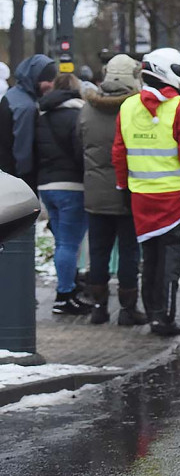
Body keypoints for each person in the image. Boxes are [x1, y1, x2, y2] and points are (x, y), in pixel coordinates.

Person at [112, 47, 180, 337]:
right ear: (166, 72)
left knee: (150, 257)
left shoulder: (128, 106)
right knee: (170, 258)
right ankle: (164, 319)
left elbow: (119, 152)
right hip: (174, 198)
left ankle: (154, 311)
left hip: (141, 197)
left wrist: (122, 187)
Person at [80, 54, 148, 326]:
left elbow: (79, 148)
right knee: (129, 253)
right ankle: (128, 310)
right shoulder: (136, 109)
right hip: (128, 192)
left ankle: (98, 308)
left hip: (95, 193)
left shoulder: (86, 110)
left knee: (98, 252)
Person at [35, 73, 90, 315]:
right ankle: (64, 295)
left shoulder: (41, 116)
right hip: (72, 187)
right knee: (69, 243)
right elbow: (81, 153)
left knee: (61, 243)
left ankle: (67, 288)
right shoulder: (78, 115)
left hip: (46, 187)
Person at [0, 54, 57, 187]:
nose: (52, 84)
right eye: (49, 80)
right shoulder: (26, 107)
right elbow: (22, 148)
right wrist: (24, 180)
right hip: (17, 176)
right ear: (37, 79)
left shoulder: (12, 95)